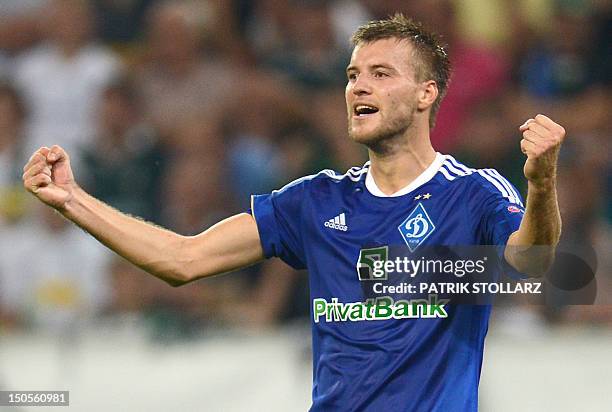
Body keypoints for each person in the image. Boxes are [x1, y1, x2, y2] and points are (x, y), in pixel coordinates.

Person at [22, 14, 564, 412]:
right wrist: (73, 199)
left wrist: (540, 187)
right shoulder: (314, 200)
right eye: (353, 75)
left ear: (427, 94)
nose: (358, 87)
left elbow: (534, 266)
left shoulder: (471, 192)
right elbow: (182, 260)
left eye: (380, 73)